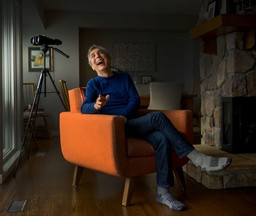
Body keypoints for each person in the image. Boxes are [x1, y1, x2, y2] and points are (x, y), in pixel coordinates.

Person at [81, 44, 232, 211]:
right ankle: (196, 157)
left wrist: (124, 116)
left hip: (131, 121)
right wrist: (96, 106)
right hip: (115, 127)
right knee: (158, 117)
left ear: (108, 58)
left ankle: (163, 192)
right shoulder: (93, 84)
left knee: (161, 139)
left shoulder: (124, 77)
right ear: (92, 65)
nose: (98, 56)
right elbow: (83, 108)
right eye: (93, 56)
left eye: (100, 53)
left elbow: (135, 100)